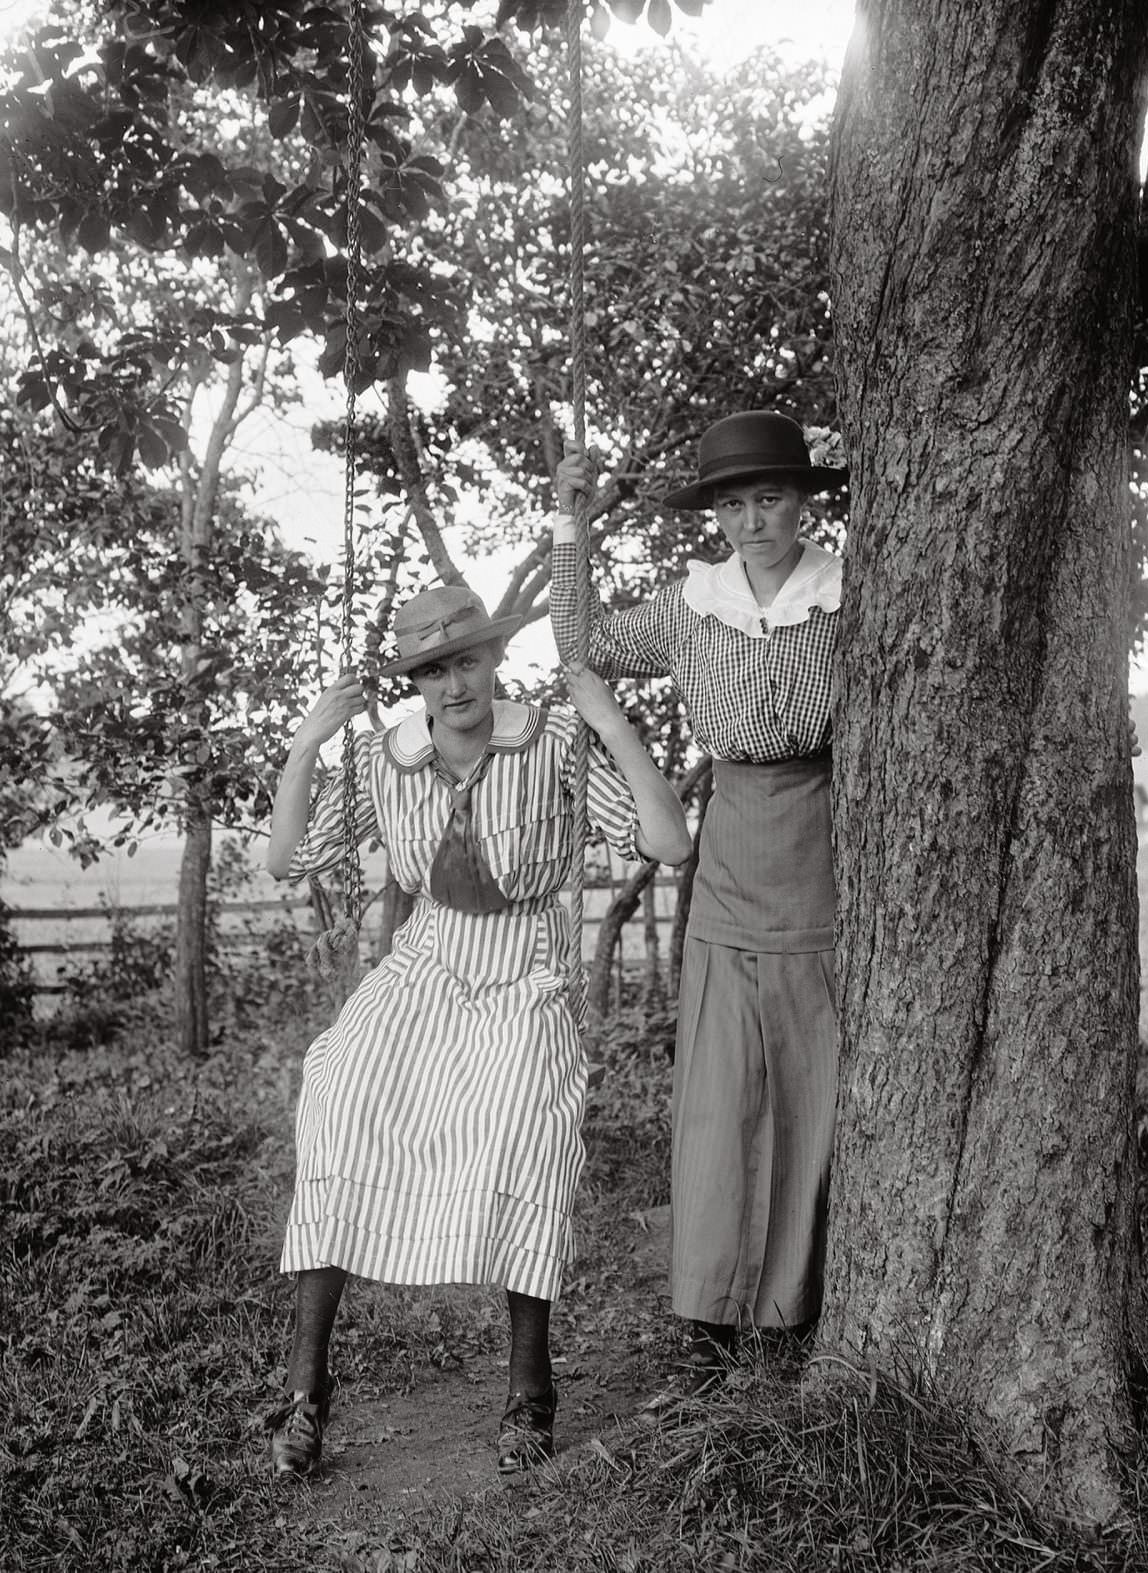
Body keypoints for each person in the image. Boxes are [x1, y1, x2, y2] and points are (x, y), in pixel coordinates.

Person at [264, 584, 692, 1477]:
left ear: (494, 660)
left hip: (524, 964)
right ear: (414, 680)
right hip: (426, 960)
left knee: (523, 1123)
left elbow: (669, 840)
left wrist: (608, 722)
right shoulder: (389, 759)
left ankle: (529, 1390)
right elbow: (287, 857)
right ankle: (307, 1395)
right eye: (431, 669)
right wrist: (310, 738)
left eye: (466, 661)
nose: (453, 685)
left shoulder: (551, 742)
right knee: (340, 1092)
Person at [550, 410, 846, 1401]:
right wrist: (571, 525)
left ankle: (794, 1312)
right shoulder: (692, 606)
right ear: (714, 513)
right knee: (721, 1093)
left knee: (813, 1083)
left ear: (803, 502)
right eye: (733, 502)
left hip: (825, 838)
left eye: (769, 498)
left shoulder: (850, 595)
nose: (753, 520)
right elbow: (581, 641)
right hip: (728, 848)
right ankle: (707, 1319)